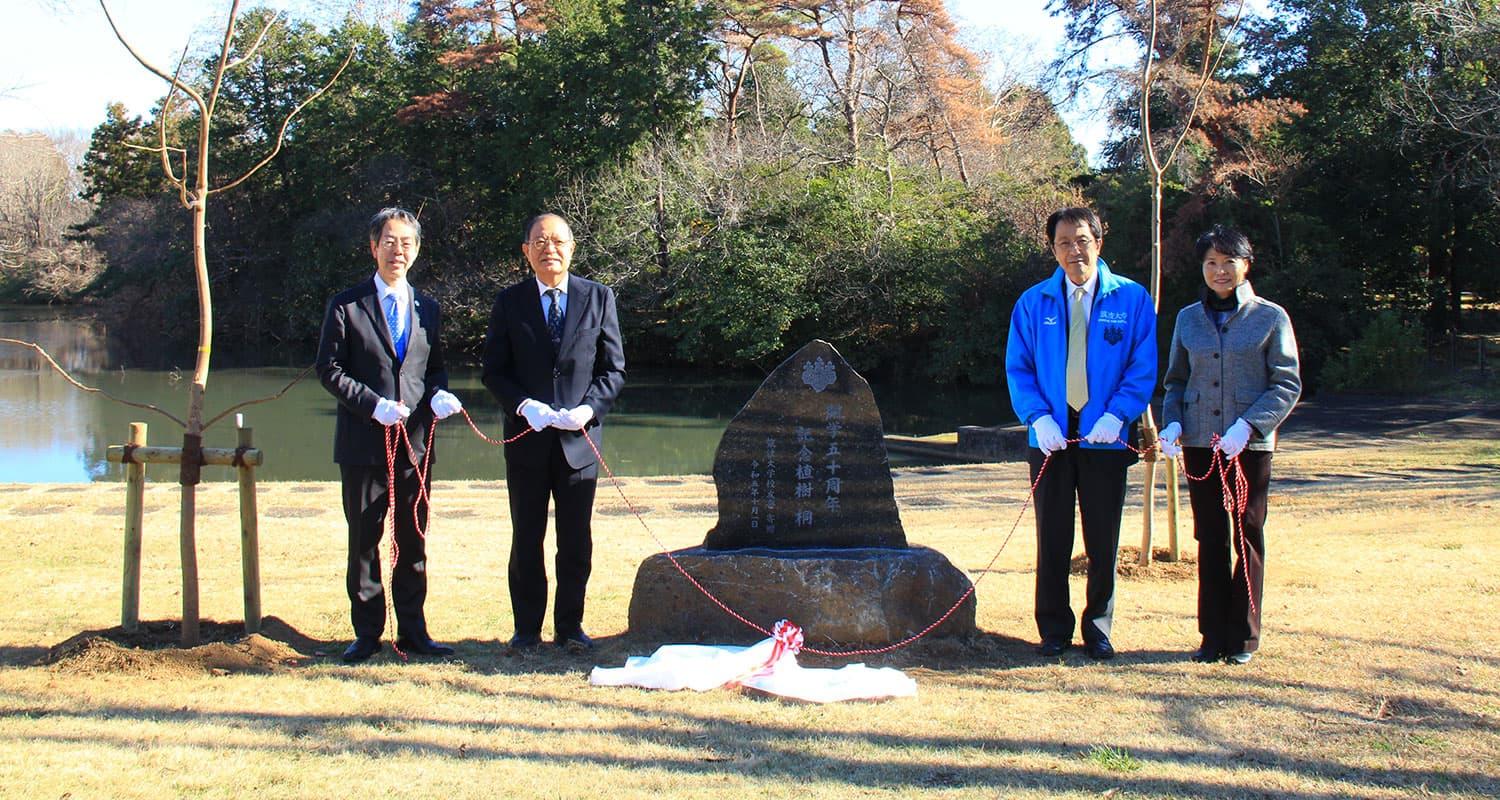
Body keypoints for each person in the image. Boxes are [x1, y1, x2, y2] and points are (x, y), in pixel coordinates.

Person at [1005, 206, 1158, 660]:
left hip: (1106, 440)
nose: (1075, 251)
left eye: (1083, 241)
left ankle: (1098, 627)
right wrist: (1038, 417)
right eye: (1064, 243)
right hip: (1050, 439)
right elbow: (1019, 369)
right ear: (1053, 249)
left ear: (1099, 242)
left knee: (1103, 537)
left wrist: (1119, 415)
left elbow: (1142, 366)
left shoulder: (1131, 299)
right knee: (1052, 535)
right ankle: (1053, 628)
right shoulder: (1033, 303)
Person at [316, 207, 465, 663]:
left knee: (413, 538)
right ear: (373, 246)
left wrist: (440, 394)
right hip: (363, 443)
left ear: (416, 250)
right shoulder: (346, 304)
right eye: (389, 241)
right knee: (364, 539)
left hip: (415, 446)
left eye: (407, 243)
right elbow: (329, 369)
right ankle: (367, 633)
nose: (397, 250)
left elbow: (433, 368)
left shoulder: (428, 308)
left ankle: (414, 631)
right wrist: (372, 405)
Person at [482, 212, 626, 653]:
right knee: (526, 537)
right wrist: (524, 406)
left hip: (578, 444)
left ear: (572, 248)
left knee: (575, 539)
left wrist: (588, 409)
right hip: (526, 440)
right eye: (540, 241)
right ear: (526, 251)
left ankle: (570, 626)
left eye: (558, 240)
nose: (550, 248)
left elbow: (613, 369)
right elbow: (494, 371)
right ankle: (526, 630)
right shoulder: (509, 302)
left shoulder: (598, 297)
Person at [1158, 225, 1301, 665]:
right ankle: (1212, 633)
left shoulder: (1270, 316)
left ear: (1246, 264)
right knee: (1211, 537)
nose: (1220, 272)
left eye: (1228, 262)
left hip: (1248, 447)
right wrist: (1172, 424)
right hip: (1201, 443)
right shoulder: (1187, 319)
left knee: (1247, 534)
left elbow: (1286, 383)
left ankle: (1244, 636)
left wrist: (1250, 427)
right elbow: (1176, 381)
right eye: (1211, 264)